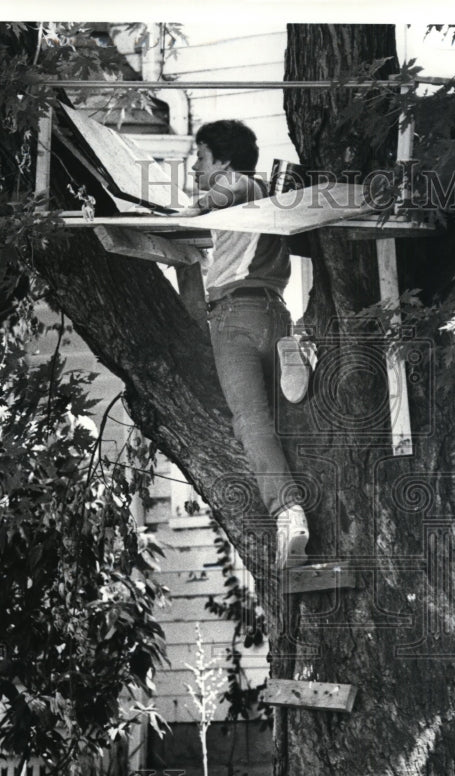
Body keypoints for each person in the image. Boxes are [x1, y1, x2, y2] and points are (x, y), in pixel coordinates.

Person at [181, 120, 309, 570]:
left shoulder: (235, 183)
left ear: (223, 159)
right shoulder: (265, 195)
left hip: (235, 315)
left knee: (251, 419)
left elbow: (208, 203)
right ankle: (298, 352)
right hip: (276, 312)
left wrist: (188, 209)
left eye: (200, 156)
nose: (196, 165)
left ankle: (288, 513)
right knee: (284, 420)